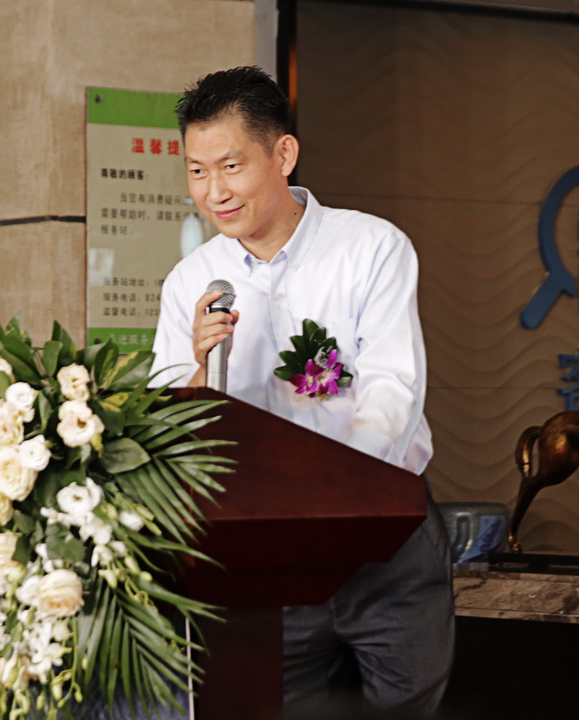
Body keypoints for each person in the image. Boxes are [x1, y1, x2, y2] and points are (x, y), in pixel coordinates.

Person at [149, 66, 453, 717]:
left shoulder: (370, 248)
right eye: (197, 171)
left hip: (384, 538)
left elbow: (393, 388)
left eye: (231, 166)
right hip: (262, 548)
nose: (214, 191)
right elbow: (171, 427)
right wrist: (199, 368)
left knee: (406, 705)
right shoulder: (191, 281)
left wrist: (342, 497)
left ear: (282, 154)